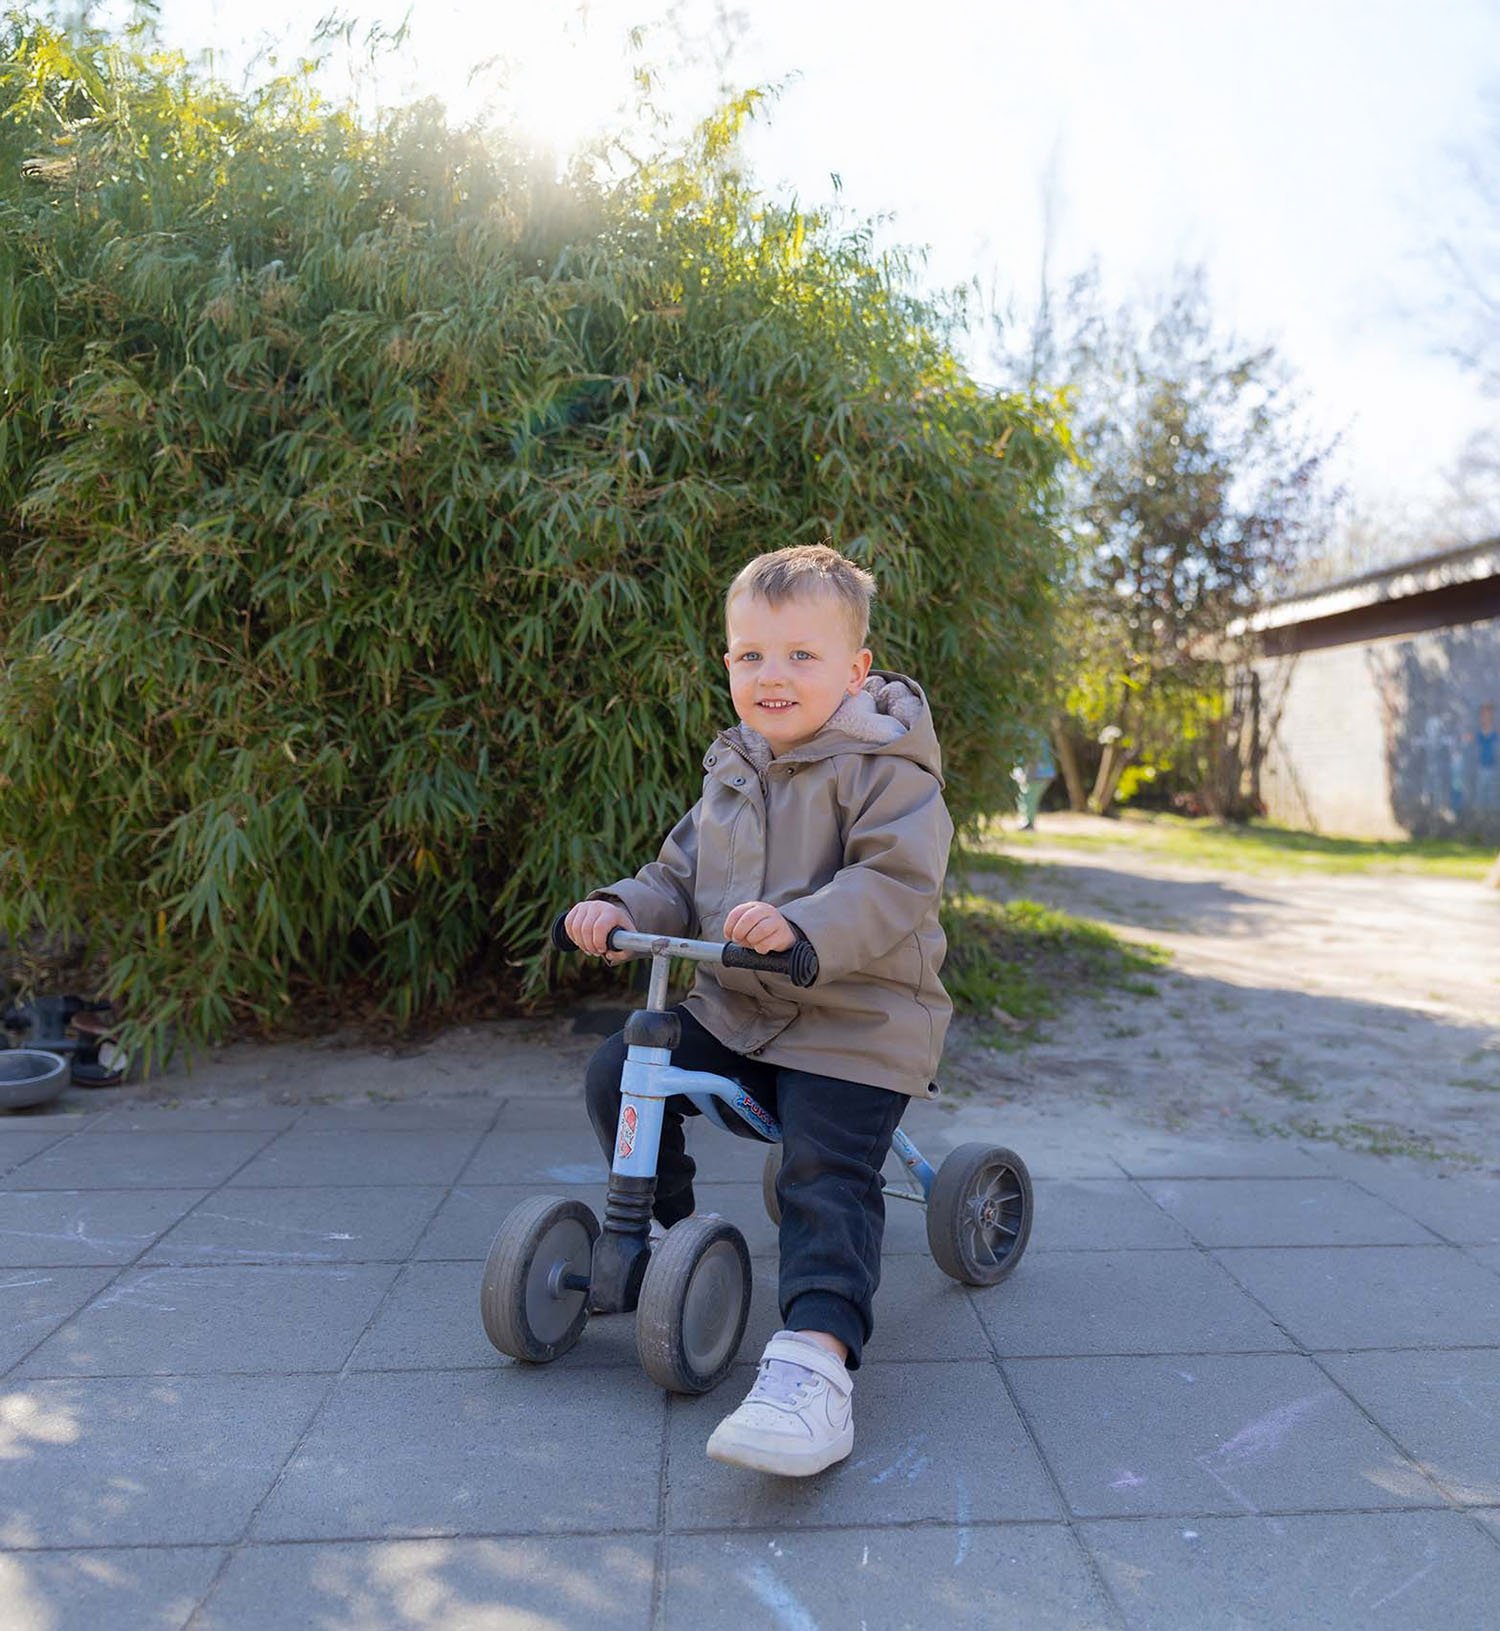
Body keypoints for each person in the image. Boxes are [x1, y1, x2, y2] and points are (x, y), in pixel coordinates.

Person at [564, 542, 953, 1479]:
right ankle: (660, 1237)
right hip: (742, 1009)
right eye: (750, 655)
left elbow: (895, 884)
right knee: (623, 1069)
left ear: (855, 671)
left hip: (857, 1017)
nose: (771, 676)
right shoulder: (733, 771)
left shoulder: (889, 772)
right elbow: (679, 874)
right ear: (727, 663)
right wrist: (623, 907)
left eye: (800, 655)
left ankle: (818, 1359)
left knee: (824, 1167)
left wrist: (799, 923)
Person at [1011, 728, 1056, 830]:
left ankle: (1029, 823)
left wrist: (1024, 775)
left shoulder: (1031, 736)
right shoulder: (1037, 734)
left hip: (1039, 774)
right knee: (1026, 797)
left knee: (1029, 798)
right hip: (1040, 773)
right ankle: (1026, 822)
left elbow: (1032, 759)